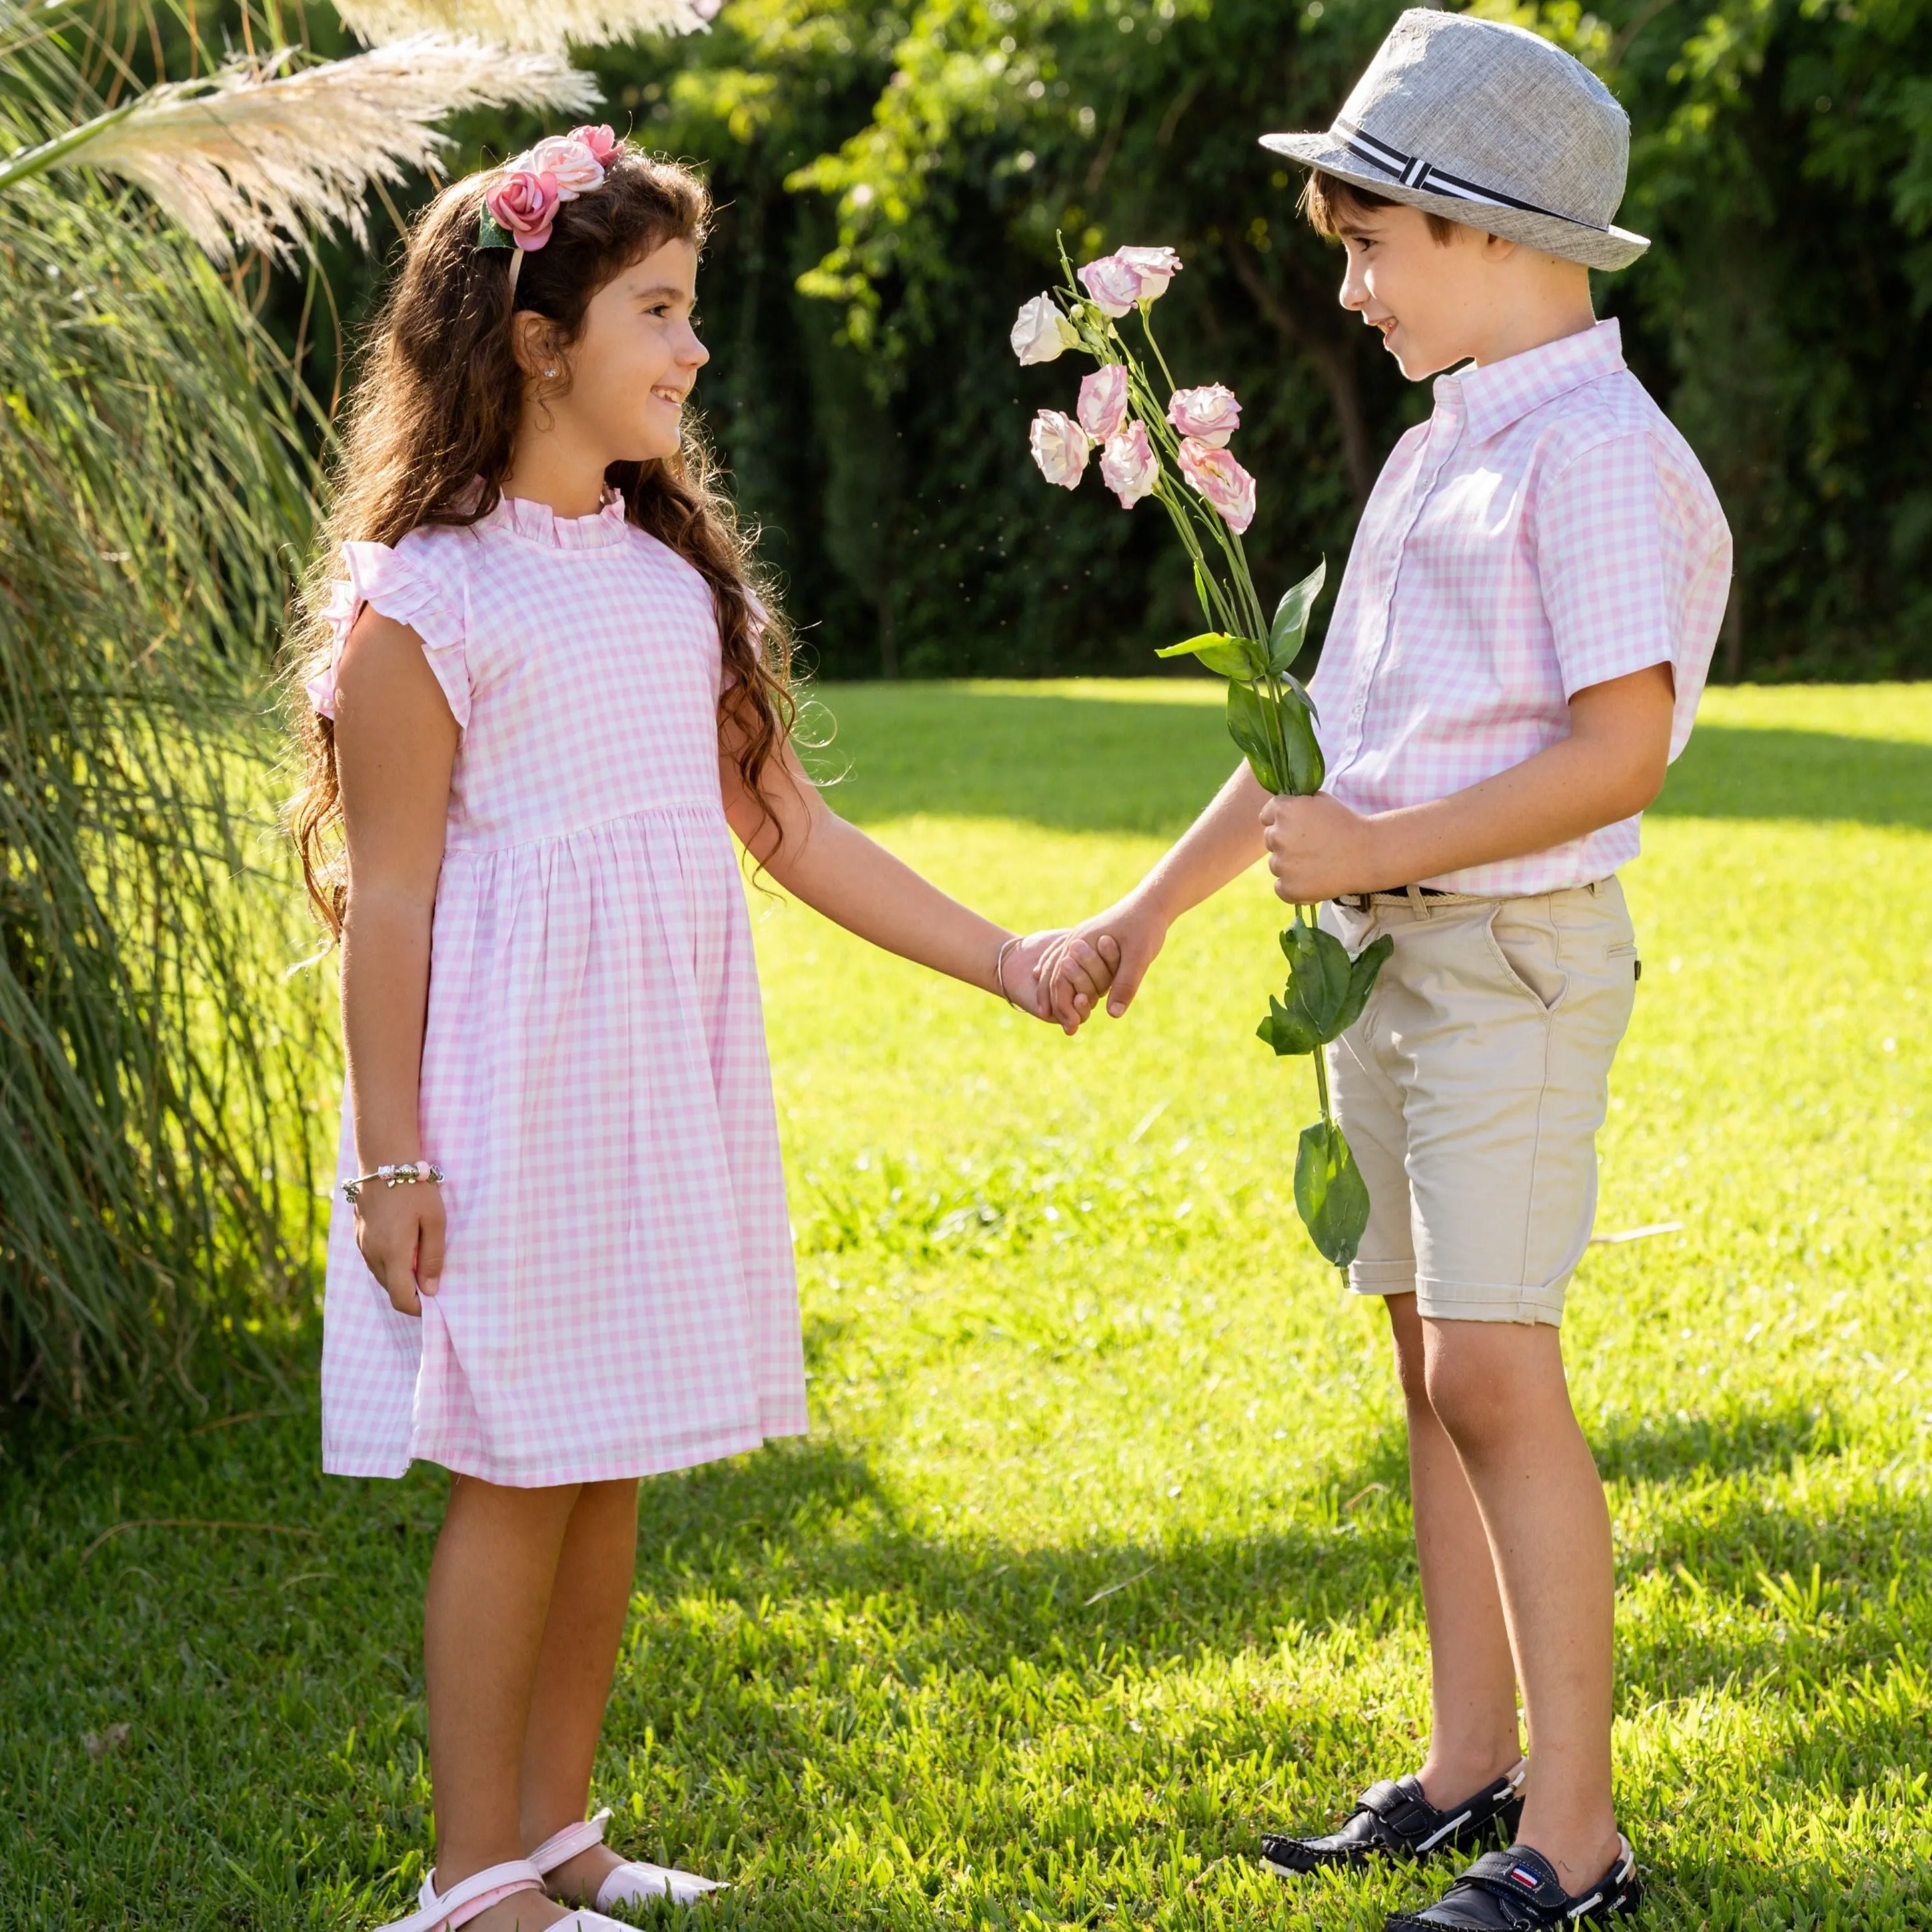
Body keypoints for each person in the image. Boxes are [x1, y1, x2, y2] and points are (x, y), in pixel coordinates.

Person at [288, 131, 1106, 1932]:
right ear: (532, 334)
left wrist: (1008, 957)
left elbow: (790, 830)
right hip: (502, 1091)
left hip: (647, 1084)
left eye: (692, 310)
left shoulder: (672, 577)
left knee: (606, 1457)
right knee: (518, 1467)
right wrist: (394, 1153)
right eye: (656, 311)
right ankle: (467, 1878)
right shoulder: (426, 598)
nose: (691, 350)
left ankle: (558, 1827)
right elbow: (395, 900)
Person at [1042, 14, 1730, 1927]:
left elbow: (1619, 751)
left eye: (1369, 247)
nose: (1344, 290)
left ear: (1497, 237)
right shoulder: (1446, 448)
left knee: (1500, 1374)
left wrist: (1373, 857)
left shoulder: (1592, 457)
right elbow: (1315, 744)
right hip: (1394, 955)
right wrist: (1151, 910)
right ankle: (1461, 1768)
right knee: (1431, 1369)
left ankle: (1573, 1840)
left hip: (1508, 960)